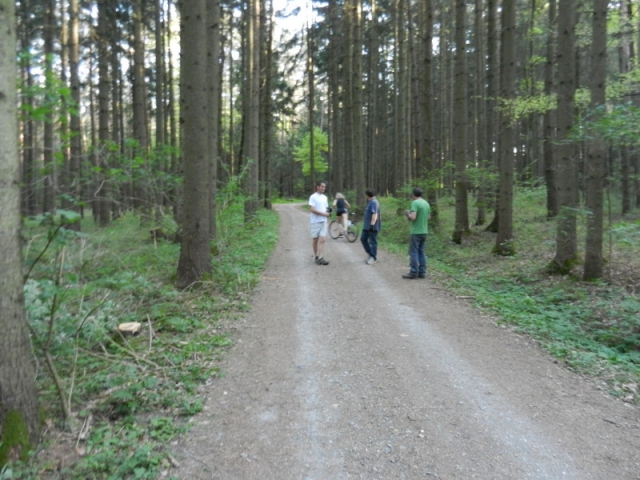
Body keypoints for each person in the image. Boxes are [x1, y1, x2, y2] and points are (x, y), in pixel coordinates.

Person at [402, 187, 431, 279]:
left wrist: (407, 213)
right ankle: (422, 272)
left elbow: (413, 217)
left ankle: (413, 272)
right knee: (421, 252)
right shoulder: (426, 203)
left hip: (416, 231)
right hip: (424, 231)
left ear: (413, 194)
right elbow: (428, 217)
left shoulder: (415, 203)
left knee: (413, 252)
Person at [309, 181, 330, 265]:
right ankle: (316, 256)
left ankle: (321, 257)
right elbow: (312, 209)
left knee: (322, 239)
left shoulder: (325, 197)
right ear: (317, 187)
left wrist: (328, 212)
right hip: (315, 221)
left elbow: (326, 208)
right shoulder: (313, 197)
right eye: (322, 186)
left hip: (324, 221)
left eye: (324, 187)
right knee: (315, 240)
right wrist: (323, 214)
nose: (323, 188)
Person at [361, 189, 381, 265]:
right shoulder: (370, 202)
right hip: (366, 226)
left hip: (372, 227)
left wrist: (372, 224)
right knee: (363, 239)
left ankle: (373, 257)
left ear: (367, 195)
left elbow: (375, 214)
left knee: (372, 242)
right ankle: (370, 253)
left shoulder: (374, 202)